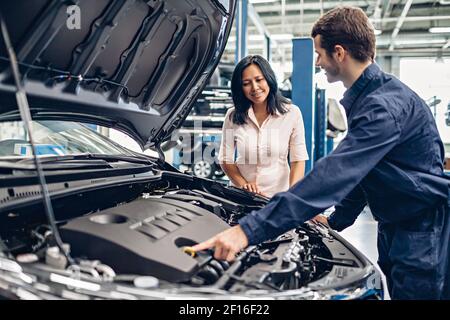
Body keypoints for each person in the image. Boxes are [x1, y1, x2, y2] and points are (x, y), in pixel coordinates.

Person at [193, 6, 450, 300]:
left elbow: (337, 174)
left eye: (319, 53)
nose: (317, 62)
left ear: (339, 53)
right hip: (396, 225)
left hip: (420, 229)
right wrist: (336, 221)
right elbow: (365, 172)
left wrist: (246, 232)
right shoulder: (369, 99)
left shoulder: (382, 107)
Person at [217, 55, 308, 198]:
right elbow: (225, 159)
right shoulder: (232, 116)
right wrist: (243, 185)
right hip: (241, 197)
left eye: (259, 80)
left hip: (277, 199)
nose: (255, 88)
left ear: (269, 79)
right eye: (246, 83)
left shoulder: (292, 114)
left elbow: (298, 160)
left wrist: (292, 197)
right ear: (240, 88)